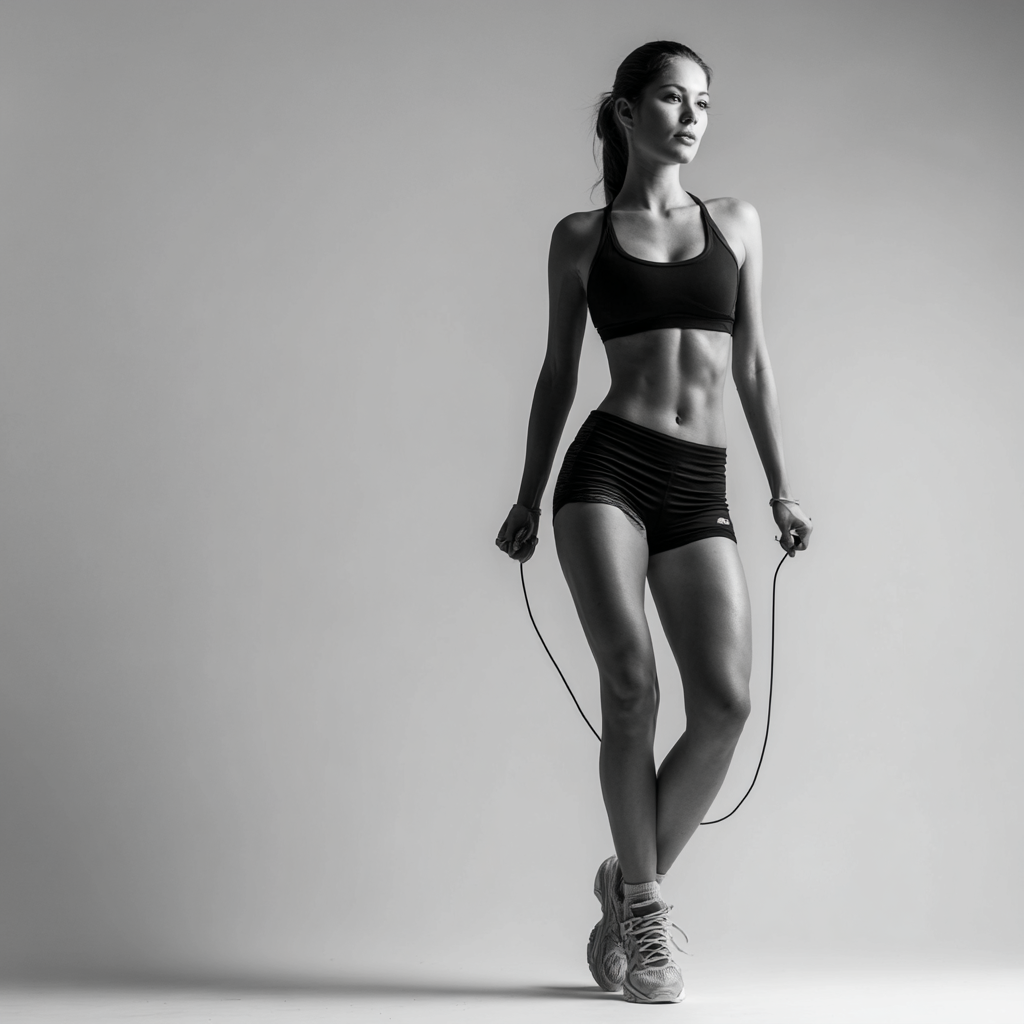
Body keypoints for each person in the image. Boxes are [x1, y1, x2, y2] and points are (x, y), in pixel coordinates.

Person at [495, 40, 812, 1004]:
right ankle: (645, 916)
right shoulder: (581, 236)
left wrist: (782, 489)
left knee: (723, 706)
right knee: (630, 687)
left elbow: (752, 366)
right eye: (670, 98)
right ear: (626, 112)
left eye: (703, 102)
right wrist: (524, 494)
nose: (690, 116)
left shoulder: (738, 222)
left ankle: (625, 880)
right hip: (608, 472)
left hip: (699, 480)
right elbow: (558, 373)